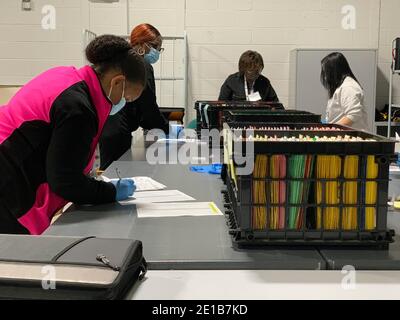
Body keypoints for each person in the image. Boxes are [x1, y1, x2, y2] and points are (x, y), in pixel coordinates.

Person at [0, 35, 146, 235]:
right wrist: (110, 192)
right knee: (15, 260)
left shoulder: (65, 76)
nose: (123, 104)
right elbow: (64, 181)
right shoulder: (78, 108)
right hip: (9, 186)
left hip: (10, 164)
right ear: (118, 82)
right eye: (127, 98)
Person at [99, 23, 171, 170]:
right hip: (118, 130)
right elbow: (148, 105)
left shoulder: (121, 61)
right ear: (142, 45)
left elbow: (140, 105)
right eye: (155, 47)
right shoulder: (142, 65)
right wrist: (167, 129)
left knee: (110, 172)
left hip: (108, 128)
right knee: (118, 175)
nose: (157, 52)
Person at [321, 52, 369, 131]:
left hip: (351, 138)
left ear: (334, 71)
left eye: (327, 72)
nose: (326, 77)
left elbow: (353, 114)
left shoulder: (348, 87)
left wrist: (331, 129)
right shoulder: (341, 86)